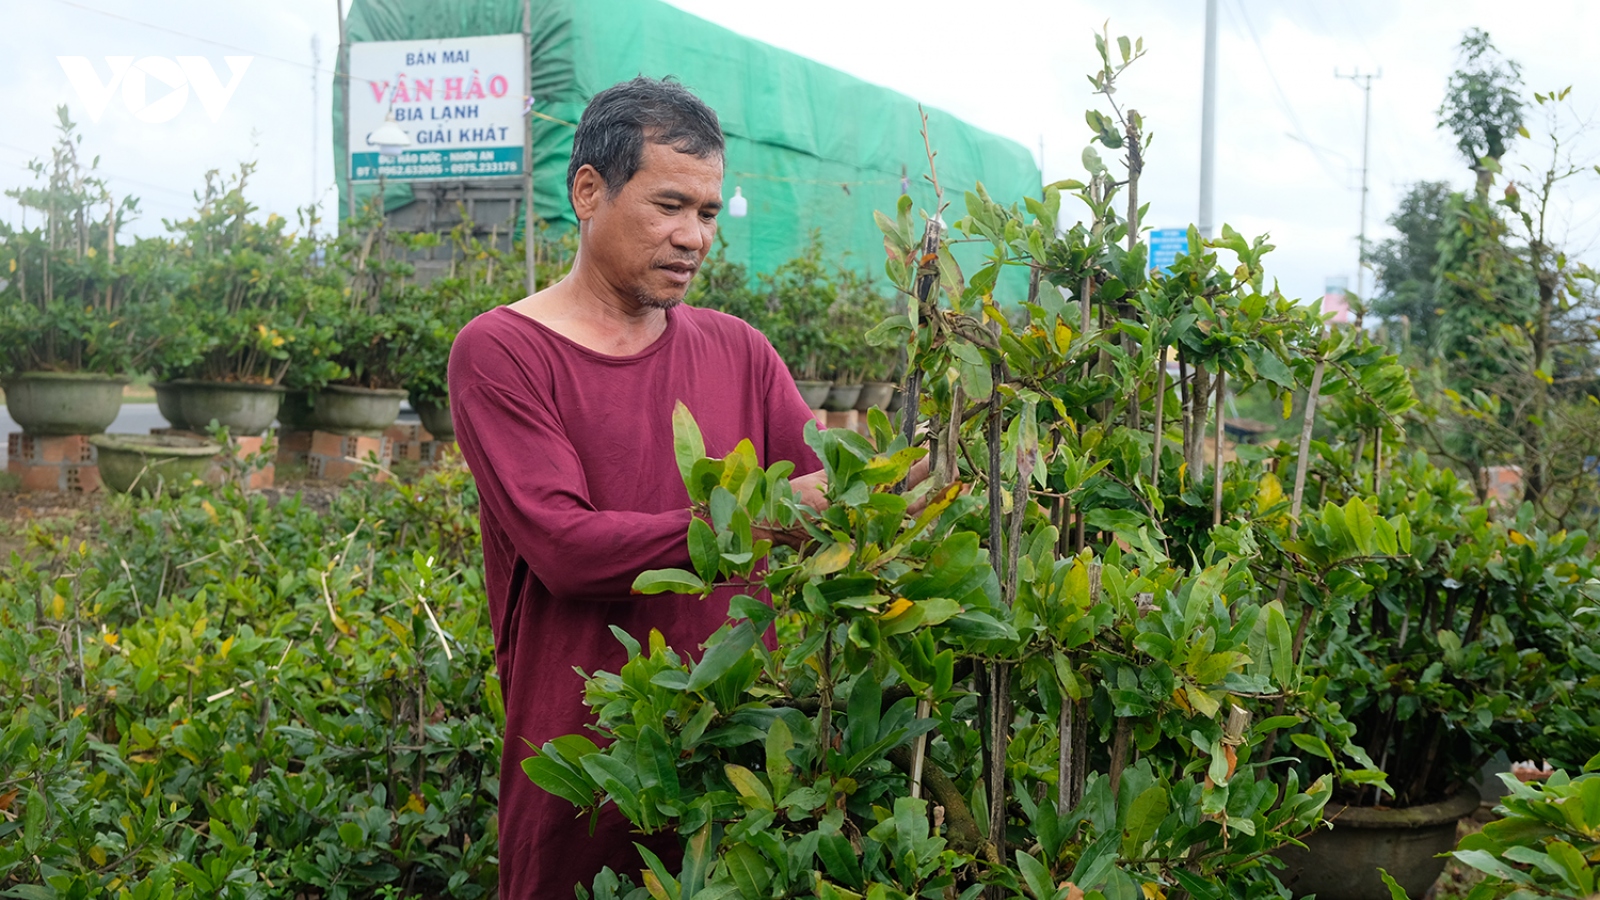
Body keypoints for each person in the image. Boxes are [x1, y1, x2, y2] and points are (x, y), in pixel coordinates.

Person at [448, 76, 829, 898]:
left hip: (738, 764)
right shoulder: (503, 353)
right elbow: (565, 550)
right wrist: (766, 516)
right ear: (589, 191)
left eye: (707, 213)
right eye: (668, 206)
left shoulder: (742, 352)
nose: (693, 237)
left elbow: (838, 496)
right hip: (586, 774)